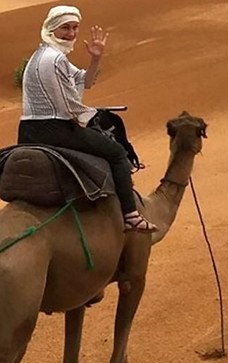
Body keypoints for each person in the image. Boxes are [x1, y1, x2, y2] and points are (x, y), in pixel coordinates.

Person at [17, 5, 157, 233]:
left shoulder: (44, 55)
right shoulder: (53, 60)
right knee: (117, 153)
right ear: (51, 28)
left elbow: (84, 81)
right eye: (65, 28)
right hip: (53, 128)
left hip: (28, 129)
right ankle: (131, 215)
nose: (71, 33)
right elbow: (70, 106)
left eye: (74, 27)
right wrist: (92, 117)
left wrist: (95, 59)